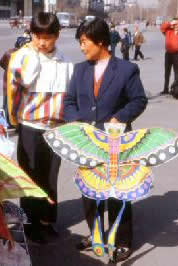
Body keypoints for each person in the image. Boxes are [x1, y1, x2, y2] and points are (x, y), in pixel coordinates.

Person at [64, 18, 147, 263]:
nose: (82, 47)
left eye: (84, 42)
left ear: (100, 42)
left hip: (115, 144)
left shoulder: (126, 70)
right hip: (88, 144)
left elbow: (138, 100)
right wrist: (77, 123)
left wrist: (119, 118)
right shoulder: (79, 70)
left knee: (117, 194)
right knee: (89, 192)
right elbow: (69, 102)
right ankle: (96, 234)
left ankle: (122, 241)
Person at [7, 12, 73, 243]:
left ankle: (47, 221)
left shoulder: (64, 62)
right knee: (30, 177)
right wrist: (32, 54)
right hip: (30, 126)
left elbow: (70, 95)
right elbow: (20, 82)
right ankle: (29, 224)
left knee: (50, 177)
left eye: (48, 37)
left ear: (57, 36)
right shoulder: (24, 56)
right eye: (38, 36)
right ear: (31, 34)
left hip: (56, 129)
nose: (43, 42)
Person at [0, 29, 31, 128]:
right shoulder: (24, 55)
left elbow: (1, 63)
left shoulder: (10, 53)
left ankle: (7, 122)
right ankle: (13, 123)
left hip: (9, 84)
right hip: (16, 84)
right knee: (14, 103)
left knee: (7, 102)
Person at [160, 18, 178, 95]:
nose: (176, 25)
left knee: (177, 73)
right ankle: (165, 89)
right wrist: (170, 23)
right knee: (167, 72)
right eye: (174, 24)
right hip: (168, 54)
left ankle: (176, 90)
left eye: (177, 24)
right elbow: (162, 27)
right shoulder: (168, 31)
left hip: (176, 54)